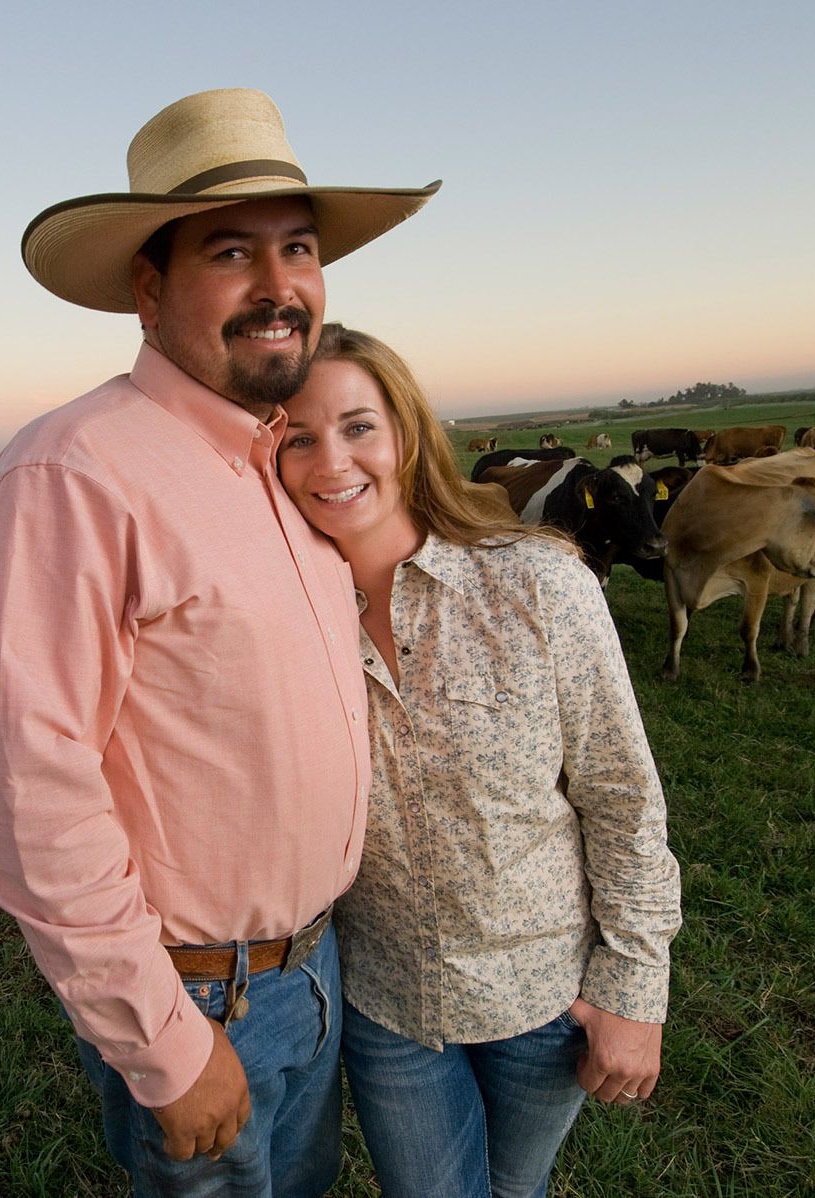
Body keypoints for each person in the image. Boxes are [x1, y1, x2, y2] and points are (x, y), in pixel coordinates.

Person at [0, 90, 437, 1195]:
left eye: (299, 249)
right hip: (201, 998)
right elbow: (21, 786)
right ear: (150, 286)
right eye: (232, 253)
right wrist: (164, 1043)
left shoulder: (279, 469)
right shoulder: (77, 472)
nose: (280, 287)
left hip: (317, 969)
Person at [276, 325, 683, 1198]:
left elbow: (621, 797)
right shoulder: (281, 623)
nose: (329, 460)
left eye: (357, 426)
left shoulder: (538, 584)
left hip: (544, 994)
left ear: (407, 435)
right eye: (297, 437)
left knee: (514, 1188)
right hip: (390, 1005)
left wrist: (636, 988)